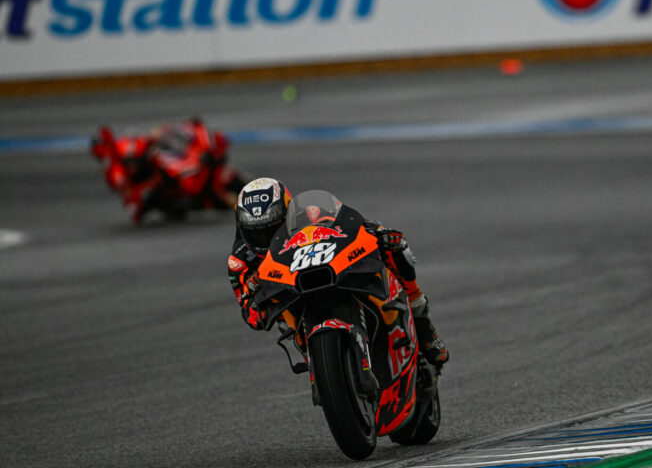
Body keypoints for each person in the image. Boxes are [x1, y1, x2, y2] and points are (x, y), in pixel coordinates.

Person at [227, 177, 449, 369]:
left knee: (394, 247)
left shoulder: (309, 214)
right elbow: (254, 319)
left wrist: (377, 233)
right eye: (256, 233)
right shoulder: (240, 260)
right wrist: (256, 292)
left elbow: (350, 224)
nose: (265, 239)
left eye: (272, 228)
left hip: (328, 268)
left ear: (287, 214)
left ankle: (420, 315)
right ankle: (322, 367)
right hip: (293, 302)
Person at [91, 118, 239, 223]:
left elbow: (150, 138)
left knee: (170, 167)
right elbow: (127, 192)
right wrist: (143, 191)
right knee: (159, 196)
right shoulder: (114, 169)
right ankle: (189, 201)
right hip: (149, 188)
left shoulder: (123, 144)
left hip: (156, 171)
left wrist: (163, 133)